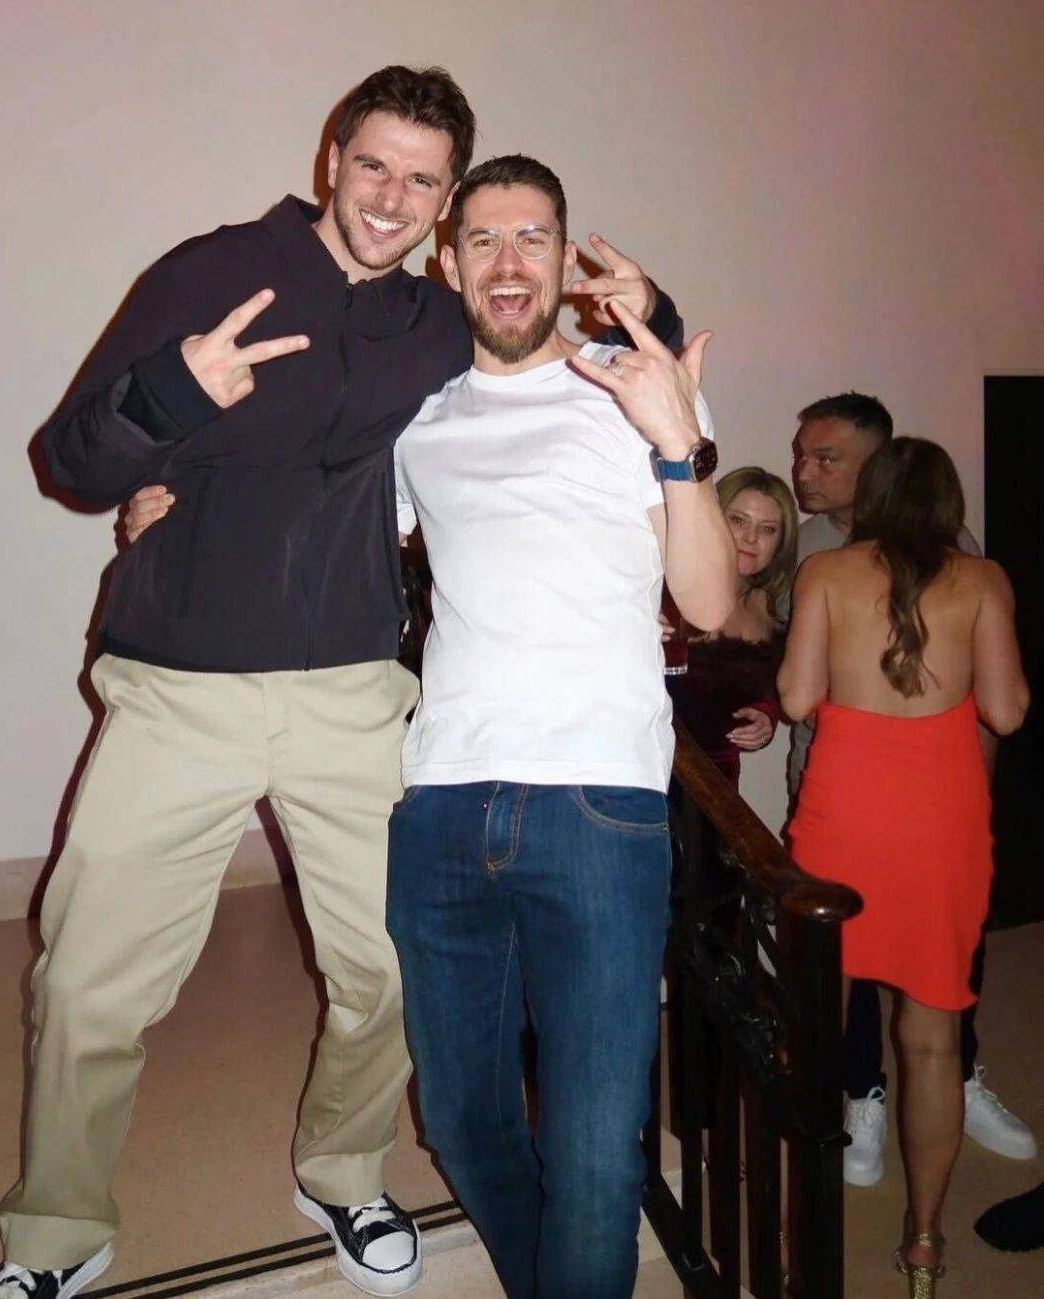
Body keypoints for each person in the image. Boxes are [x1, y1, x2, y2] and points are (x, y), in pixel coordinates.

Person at [0, 67, 683, 1299]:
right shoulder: (210, 270)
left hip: (352, 692)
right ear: (330, 160)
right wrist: (171, 394)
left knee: (391, 975)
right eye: (373, 166)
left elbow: (555, 355)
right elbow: (71, 461)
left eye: (421, 180)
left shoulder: (432, 322)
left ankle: (344, 1169)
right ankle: (57, 1231)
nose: (390, 198)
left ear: (443, 202)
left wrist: (654, 308)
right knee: (86, 983)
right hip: (180, 688)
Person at [384, 155, 735, 1299]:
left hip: (597, 804)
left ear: (566, 258)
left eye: (532, 236)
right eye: (482, 238)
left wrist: (675, 443)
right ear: (447, 263)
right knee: (459, 1117)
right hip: (441, 804)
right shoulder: (418, 422)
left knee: (591, 1150)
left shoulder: (632, 392)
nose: (508, 261)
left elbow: (710, 601)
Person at [779, 437, 1030, 1297]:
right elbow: (1006, 710)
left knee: (817, 1029)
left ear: (875, 498)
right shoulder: (985, 579)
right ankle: (924, 1239)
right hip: (940, 827)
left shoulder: (825, 573)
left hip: (843, 819)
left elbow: (796, 697)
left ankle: (805, 1224)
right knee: (932, 1040)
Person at [666, 466, 797, 787]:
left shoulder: (771, 608)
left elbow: (770, 691)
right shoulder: (666, 586)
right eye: (738, 521)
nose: (751, 538)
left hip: (719, 787)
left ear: (781, 543)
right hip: (654, 775)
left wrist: (765, 716)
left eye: (768, 529)